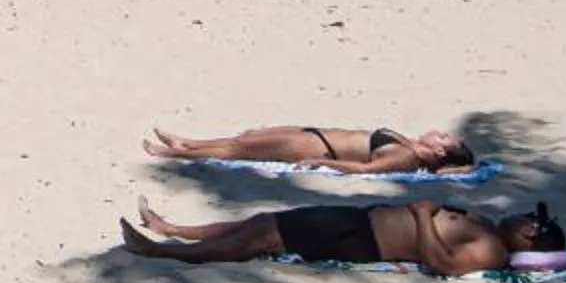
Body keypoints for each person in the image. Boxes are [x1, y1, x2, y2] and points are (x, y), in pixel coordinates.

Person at [119, 198, 563, 273]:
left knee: (263, 238)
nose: (524, 216)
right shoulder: (487, 229)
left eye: (531, 220)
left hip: (363, 238)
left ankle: (164, 252)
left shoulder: (491, 250)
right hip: (359, 219)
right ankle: (174, 230)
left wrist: (423, 215)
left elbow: (442, 264)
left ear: (531, 238)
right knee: (263, 221)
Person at [143, 123, 478, 174]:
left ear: (439, 154)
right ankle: (188, 143)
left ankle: (177, 154)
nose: (438, 134)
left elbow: (366, 170)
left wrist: (320, 161)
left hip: (322, 146)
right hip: (318, 133)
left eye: (445, 140)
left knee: (241, 151)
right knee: (246, 138)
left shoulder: (405, 156)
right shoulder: (407, 143)